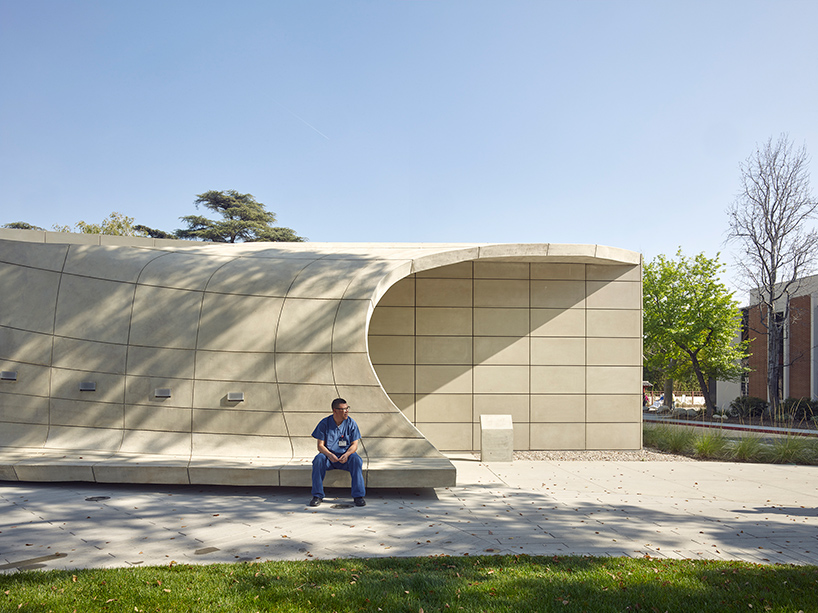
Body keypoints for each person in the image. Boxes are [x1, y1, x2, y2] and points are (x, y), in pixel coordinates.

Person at [309, 398, 366, 507]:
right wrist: (330, 455)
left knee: (357, 460)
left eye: (347, 408)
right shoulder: (324, 423)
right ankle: (317, 496)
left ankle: (358, 496)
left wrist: (347, 454)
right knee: (318, 459)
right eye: (343, 409)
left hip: (346, 457)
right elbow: (320, 446)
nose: (346, 411)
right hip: (329, 458)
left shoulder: (351, 423)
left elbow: (354, 445)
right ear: (335, 410)